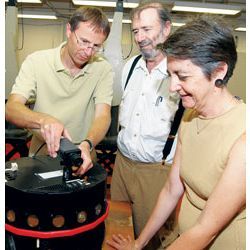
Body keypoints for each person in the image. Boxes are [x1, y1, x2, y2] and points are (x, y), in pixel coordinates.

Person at [107, 15, 246, 250]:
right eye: (171, 75)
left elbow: (206, 230)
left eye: (182, 76)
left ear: (219, 71)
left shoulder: (243, 137)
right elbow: (172, 189)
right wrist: (138, 244)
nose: (172, 87)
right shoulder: (191, 116)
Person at [5, 6, 114, 175]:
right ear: (69, 30)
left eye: (96, 46)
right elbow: (11, 108)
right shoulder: (36, 61)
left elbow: (103, 115)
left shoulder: (103, 69)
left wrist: (88, 144)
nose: (88, 52)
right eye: (84, 41)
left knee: (84, 201)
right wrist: (43, 120)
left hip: (83, 152)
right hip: (43, 152)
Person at [110, 2, 180, 249]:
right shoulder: (130, 67)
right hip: (121, 165)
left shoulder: (179, 72)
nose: (140, 37)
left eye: (147, 29)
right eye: (136, 31)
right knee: (117, 230)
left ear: (166, 29)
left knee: (153, 239)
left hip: (155, 172)